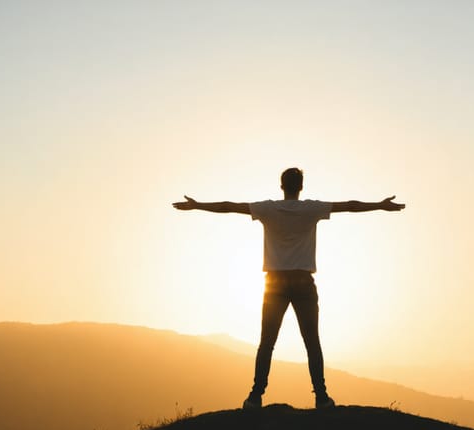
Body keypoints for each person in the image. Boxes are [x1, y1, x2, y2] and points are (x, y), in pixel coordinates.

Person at [172, 167, 405, 409]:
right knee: (312, 342)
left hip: (274, 284)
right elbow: (351, 205)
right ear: (301, 187)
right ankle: (322, 398)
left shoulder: (267, 208)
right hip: (303, 282)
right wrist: (380, 205)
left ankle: (254, 397)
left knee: (267, 342)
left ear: (281, 186)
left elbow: (228, 206)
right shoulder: (311, 208)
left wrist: (197, 205)